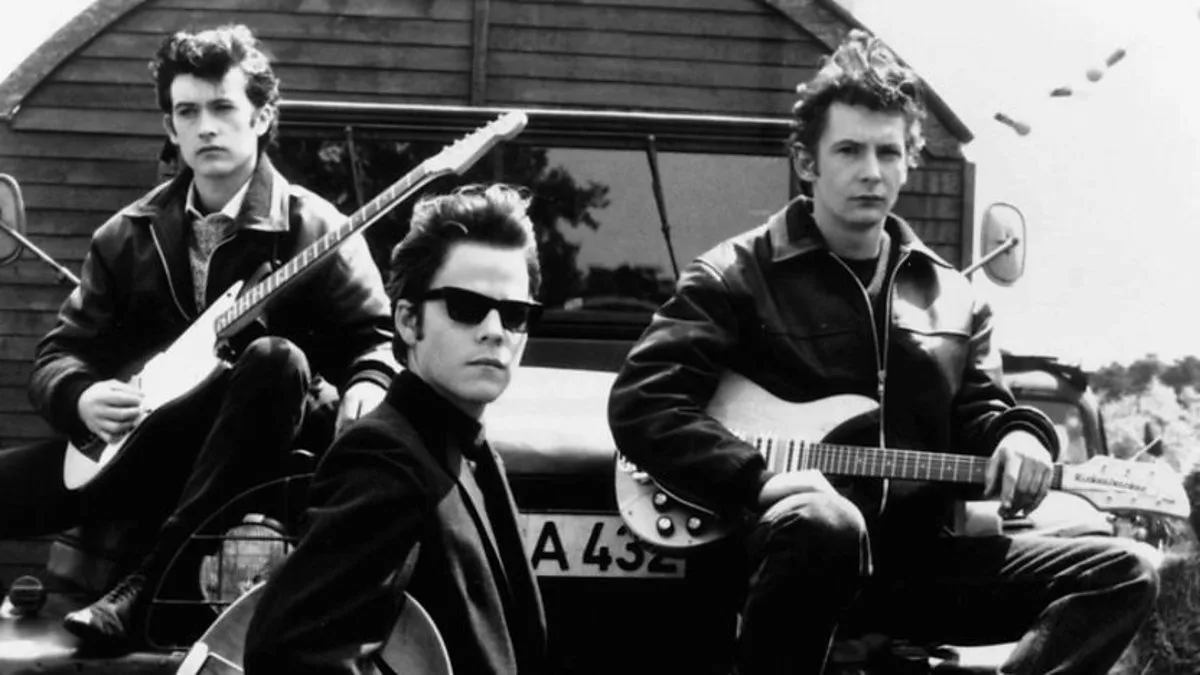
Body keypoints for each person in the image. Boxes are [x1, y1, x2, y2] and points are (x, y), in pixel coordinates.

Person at [607, 30, 1159, 675]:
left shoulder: (955, 300)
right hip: (777, 557)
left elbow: (982, 411)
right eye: (849, 150)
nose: (871, 171)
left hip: (917, 567)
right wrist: (758, 479)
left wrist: (1020, 437)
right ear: (807, 161)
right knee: (827, 523)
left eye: (888, 151)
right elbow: (645, 403)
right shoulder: (735, 274)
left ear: (908, 161)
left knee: (1127, 570)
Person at [2, 24, 396, 649]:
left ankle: (146, 589)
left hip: (269, 462)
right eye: (188, 112)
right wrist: (80, 395)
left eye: (222, 108)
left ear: (261, 117)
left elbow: (377, 337)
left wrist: (370, 380)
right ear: (170, 126)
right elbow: (60, 352)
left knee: (275, 358)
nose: (206, 127)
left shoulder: (320, 228)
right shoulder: (125, 236)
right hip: (152, 449)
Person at [244, 183, 548, 675]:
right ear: (407, 321)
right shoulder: (385, 456)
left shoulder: (463, 448)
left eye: (515, 314)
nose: (495, 331)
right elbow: (294, 652)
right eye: (466, 307)